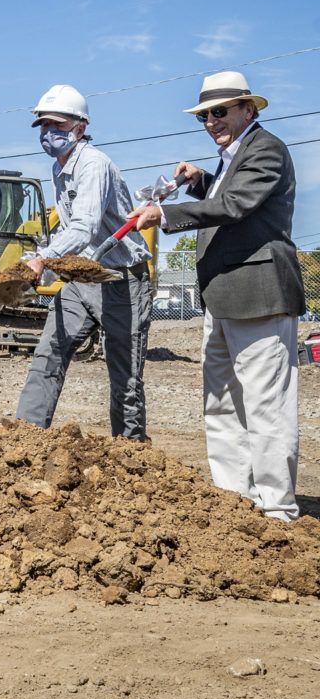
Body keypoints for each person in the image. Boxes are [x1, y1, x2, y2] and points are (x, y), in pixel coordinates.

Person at [129, 71, 304, 521]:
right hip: (223, 295)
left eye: (220, 111)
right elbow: (227, 197)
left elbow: (237, 206)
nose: (210, 121)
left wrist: (164, 213)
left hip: (260, 293)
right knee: (222, 403)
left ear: (250, 109)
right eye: (204, 114)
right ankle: (233, 501)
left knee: (266, 405)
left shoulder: (266, 149)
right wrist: (202, 179)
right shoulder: (232, 156)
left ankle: (277, 509)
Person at [14, 85, 152, 439]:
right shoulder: (58, 169)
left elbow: (85, 225)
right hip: (84, 277)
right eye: (43, 126)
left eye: (56, 125)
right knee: (49, 352)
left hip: (122, 280)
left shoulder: (93, 165)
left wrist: (43, 257)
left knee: (125, 376)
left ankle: (131, 452)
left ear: (79, 127)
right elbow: (76, 231)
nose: (48, 133)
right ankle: (25, 437)